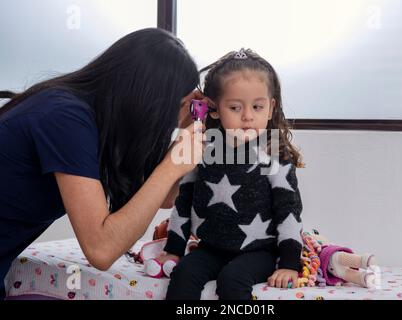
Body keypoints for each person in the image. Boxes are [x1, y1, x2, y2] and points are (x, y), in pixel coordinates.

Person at [0, 28, 206, 300]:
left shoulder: (88, 120)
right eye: (175, 106)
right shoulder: (65, 118)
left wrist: (188, 139)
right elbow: (102, 250)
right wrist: (172, 163)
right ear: (147, 100)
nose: (171, 119)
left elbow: (163, 199)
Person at [155, 48, 305, 300]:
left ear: (271, 108)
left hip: (260, 252)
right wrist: (173, 250)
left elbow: (289, 208)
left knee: (232, 279)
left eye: (257, 107)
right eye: (235, 107)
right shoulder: (202, 148)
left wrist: (290, 263)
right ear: (214, 109)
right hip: (210, 248)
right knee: (183, 274)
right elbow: (184, 201)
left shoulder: (273, 152)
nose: (247, 116)